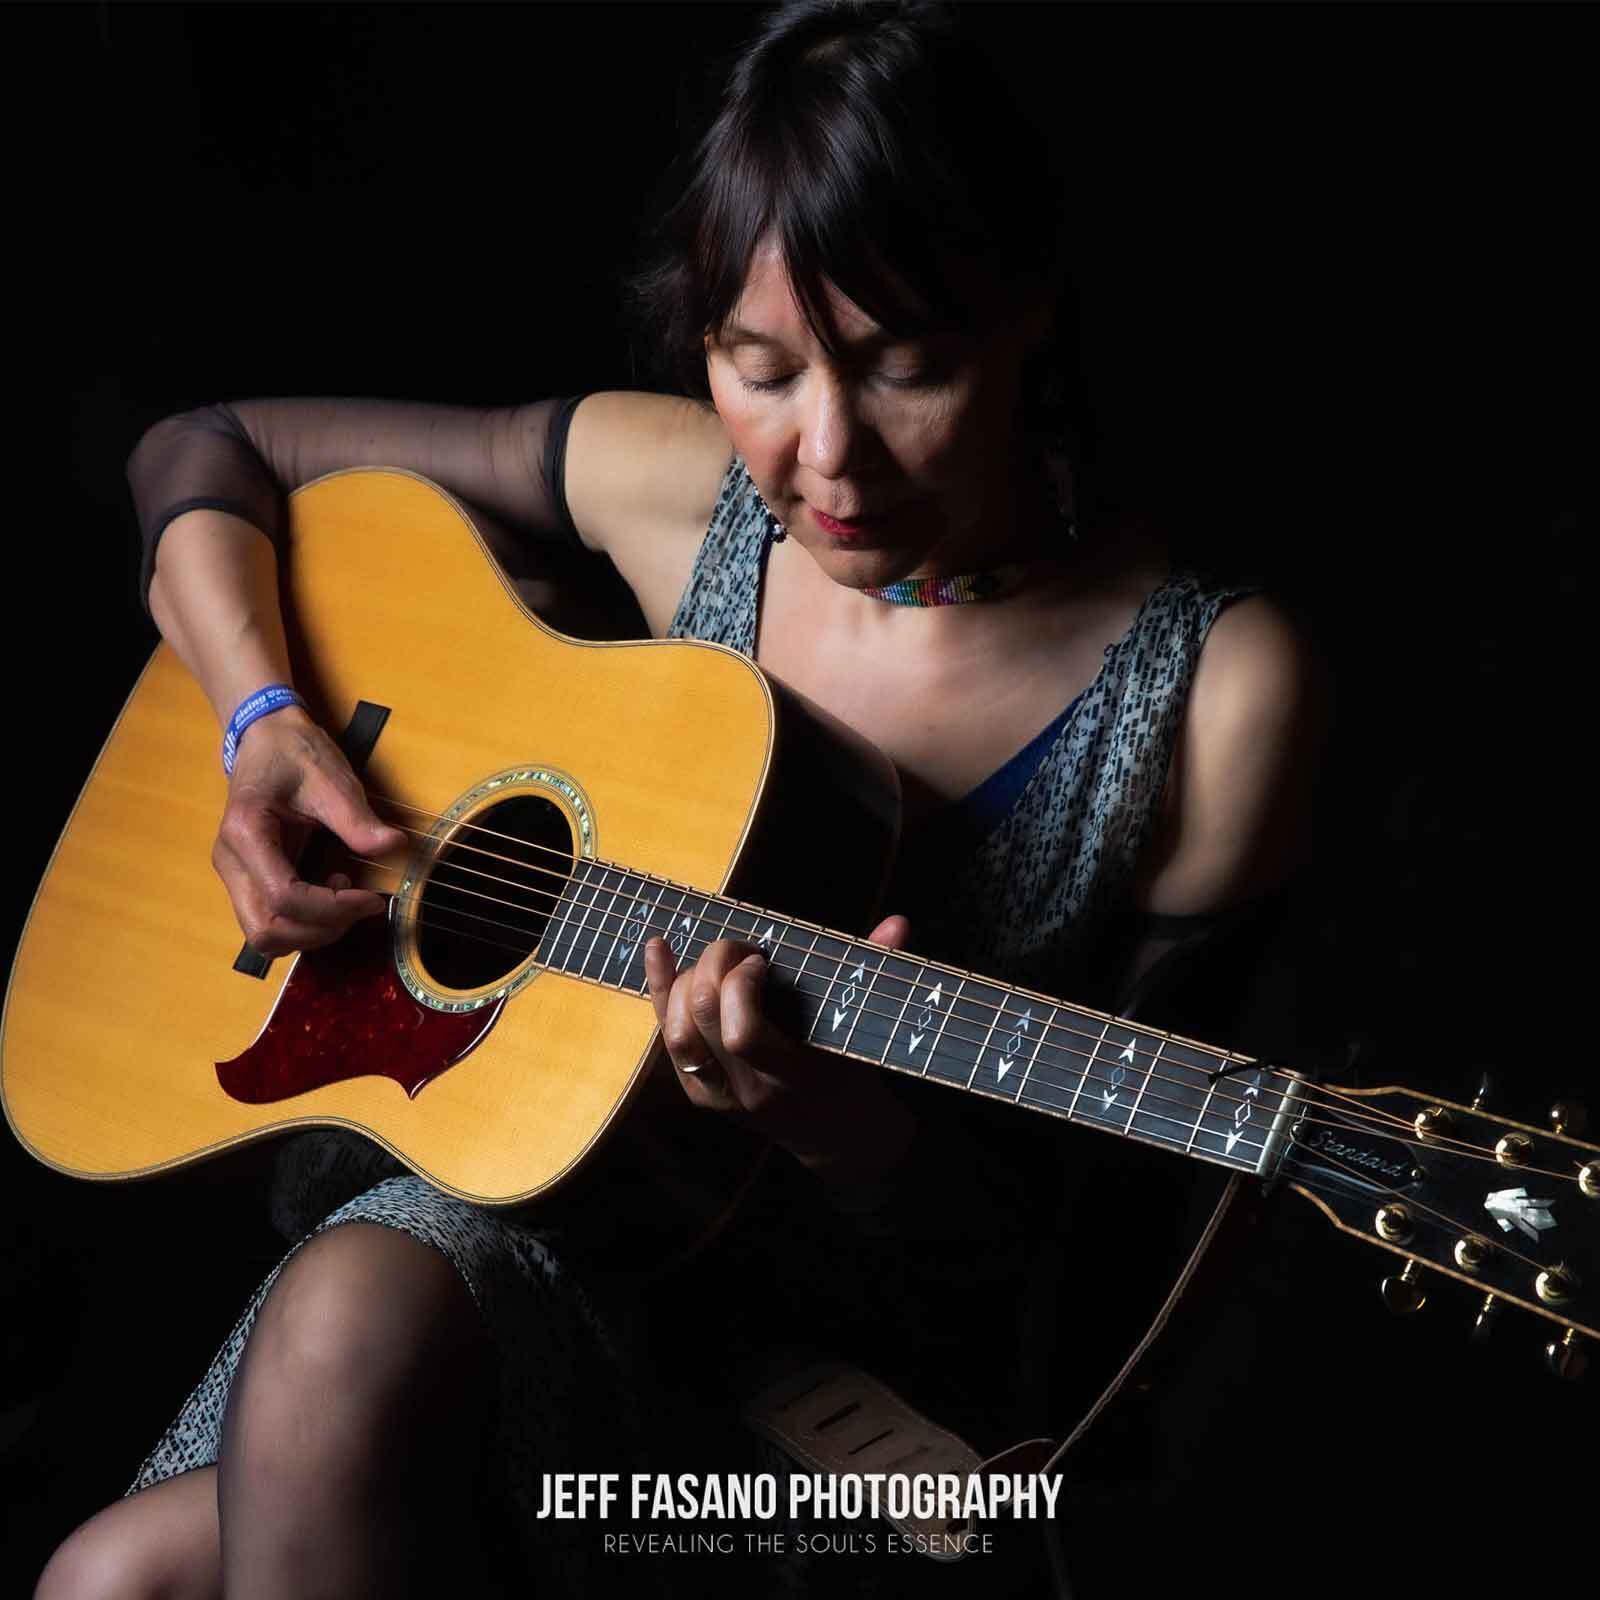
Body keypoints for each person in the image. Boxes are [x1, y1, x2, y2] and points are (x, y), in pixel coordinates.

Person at [35, 2, 1326, 1595]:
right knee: (104, 1580)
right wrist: (262, 720)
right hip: (547, 1232)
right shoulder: (676, 497)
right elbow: (207, 448)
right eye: (760, 367)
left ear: (1030, 317)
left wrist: (845, 1126)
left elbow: (1099, 1290)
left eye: (907, 367)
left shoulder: (1217, 695)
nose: (828, 453)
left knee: (333, 1346)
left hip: (819, 1417)